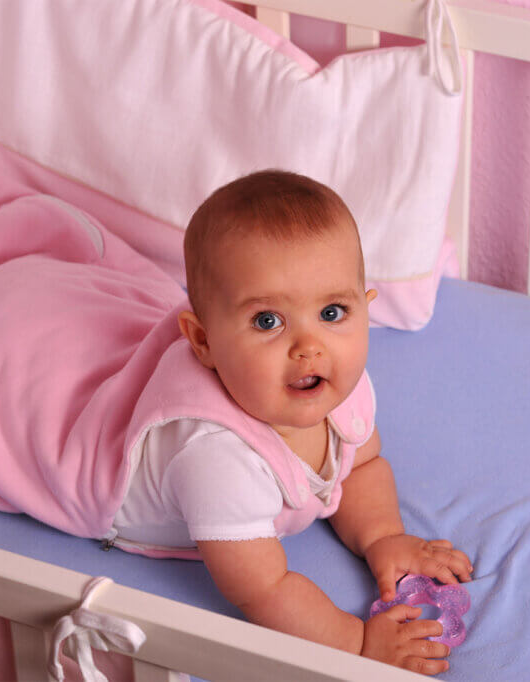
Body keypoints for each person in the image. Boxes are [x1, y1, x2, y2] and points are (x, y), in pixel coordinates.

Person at [111, 169, 473, 675]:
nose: (309, 346)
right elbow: (263, 589)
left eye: (331, 312)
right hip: (100, 465)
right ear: (204, 342)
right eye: (268, 321)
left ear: (366, 311)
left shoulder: (341, 385)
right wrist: (357, 644)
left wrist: (383, 538)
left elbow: (362, 466)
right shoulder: (216, 458)